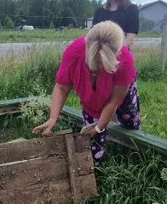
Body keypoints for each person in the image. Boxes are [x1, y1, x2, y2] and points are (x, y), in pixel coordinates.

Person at [32, 21, 140, 165]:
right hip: (90, 98)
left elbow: (113, 101)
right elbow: (62, 88)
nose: (96, 69)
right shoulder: (73, 53)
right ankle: (95, 172)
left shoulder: (125, 60)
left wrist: (100, 126)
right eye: (94, 62)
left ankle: (132, 157)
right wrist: (53, 117)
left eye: (102, 64)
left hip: (118, 91)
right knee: (93, 141)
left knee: (129, 121)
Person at [93, 0, 140, 129]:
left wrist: (112, 55)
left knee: (125, 105)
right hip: (101, 65)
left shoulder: (131, 10)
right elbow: (93, 39)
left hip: (121, 63)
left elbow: (130, 38)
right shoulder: (100, 12)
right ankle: (107, 133)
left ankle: (131, 137)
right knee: (105, 100)